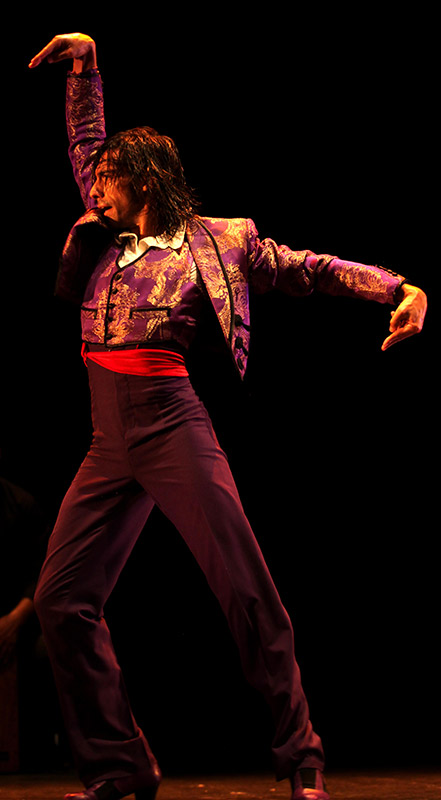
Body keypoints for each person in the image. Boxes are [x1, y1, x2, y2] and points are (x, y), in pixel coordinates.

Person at [28, 33, 427, 800]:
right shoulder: (105, 234)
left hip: (170, 423)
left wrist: (399, 288)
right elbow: (84, 141)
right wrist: (86, 66)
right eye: (94, 177)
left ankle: (300, 755)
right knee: (62, 599)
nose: (92, 187)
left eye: (106, 178)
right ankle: (117, 765)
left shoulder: (219, 242)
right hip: (107, 436)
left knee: (244, 587)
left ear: (142, 179)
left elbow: (309, 269)